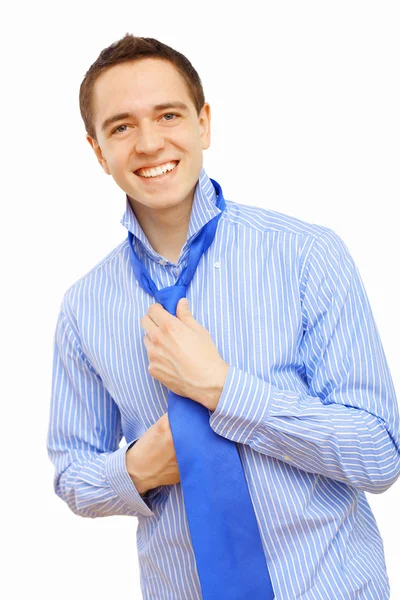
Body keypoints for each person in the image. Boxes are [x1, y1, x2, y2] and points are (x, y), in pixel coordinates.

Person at [47, 33, 400, 599]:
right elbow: (72, 474)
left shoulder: (306, 255)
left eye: (168, 114)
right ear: (97, 150)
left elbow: (379, 453)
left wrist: (224, 389)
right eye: (121, 126)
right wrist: (139, 468)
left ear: (204, 123)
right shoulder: (84, 306)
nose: (149, 142)